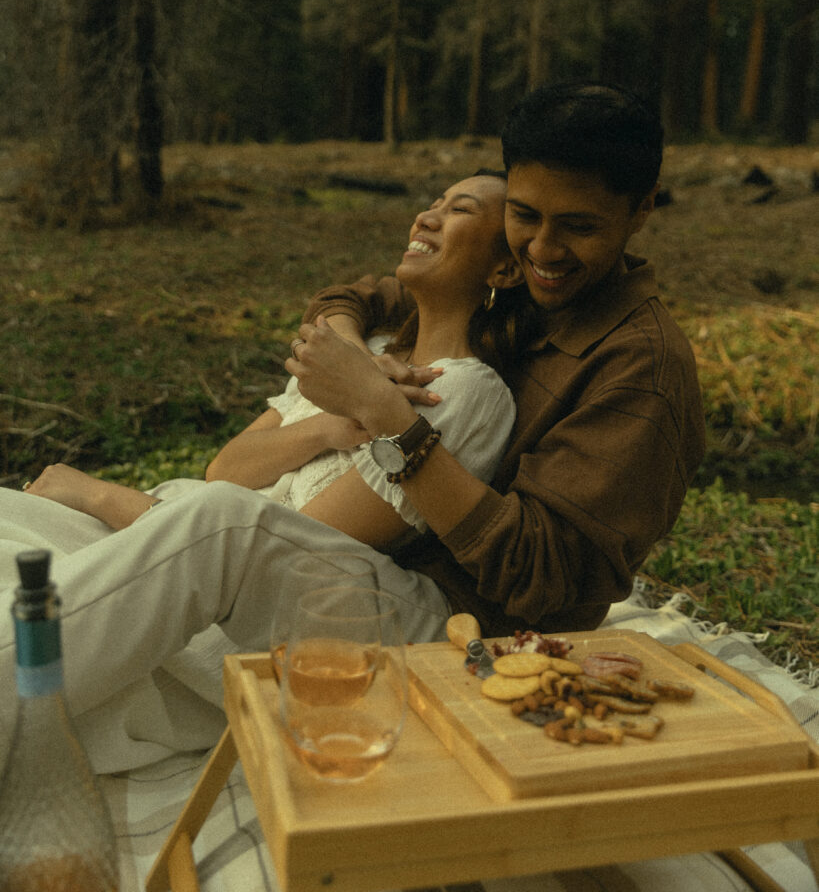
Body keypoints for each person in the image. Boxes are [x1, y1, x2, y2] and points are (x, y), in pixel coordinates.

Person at [0, 171, 527, 772]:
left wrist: (98, 494)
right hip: (188, 532)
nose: (425, 218)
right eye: (430, 203)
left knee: (82, 555)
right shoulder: (366, 353)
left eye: (457, 210)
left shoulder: (463, 392)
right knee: (13, 520)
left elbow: (275, 540)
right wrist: (330, 424)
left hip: (261, 598)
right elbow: (226, 466)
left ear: (504, 269)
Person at [288, 81, 706, 638]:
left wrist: (385, 413)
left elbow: (539, 577)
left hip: (477, 631)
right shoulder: (506, 283)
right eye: (524, 215)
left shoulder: (641, 368)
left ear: (643, 208)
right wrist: (349, 352)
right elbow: (354, 298)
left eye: (579, 226)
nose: (542, 249)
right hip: (373, 574)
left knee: (209, 534)